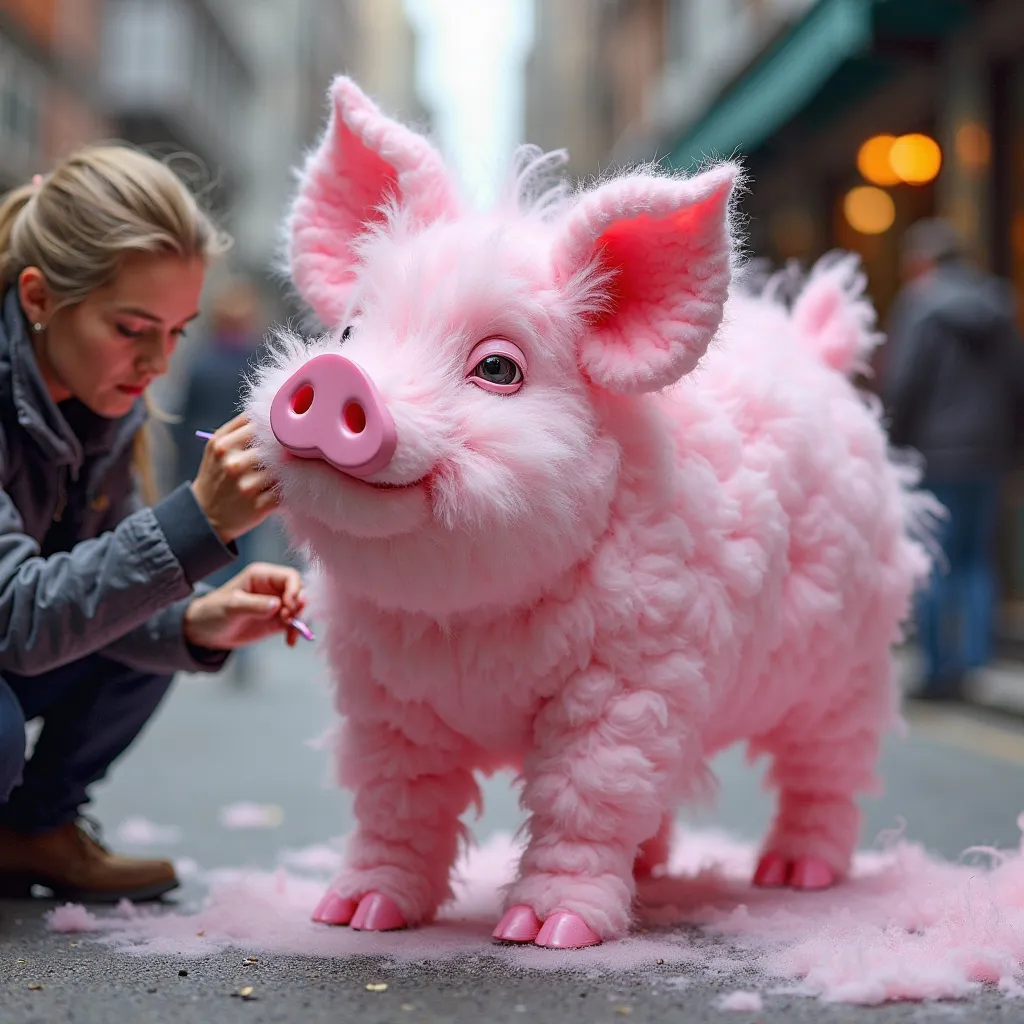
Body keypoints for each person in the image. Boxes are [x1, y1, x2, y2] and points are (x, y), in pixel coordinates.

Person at [0, 145, 306, 904]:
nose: (156, 361)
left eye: (175, 331)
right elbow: (16, 618)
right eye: (133, 328)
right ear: (39, 298)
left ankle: (34, 830)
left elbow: (101, 589)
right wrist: (196, 520)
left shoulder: (107, 402)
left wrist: (200, 620)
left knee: (154, 617)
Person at [883, 217, 1024, 700]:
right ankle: (973, 664)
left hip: (934, 453)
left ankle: (939, 669)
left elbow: (905, 383)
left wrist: (893, 447)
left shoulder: (919, 305)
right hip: (989, 453)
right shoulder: (998, 302)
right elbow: (1016, 383)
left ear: (923, 261)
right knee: (976, 559)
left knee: (935, 558)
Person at [172, 276, 269, 590]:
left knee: (208, 543)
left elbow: (184, 416)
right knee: (244, 543)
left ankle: (211, 603)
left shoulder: (202, 362)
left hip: (202, 463)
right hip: (249, 465)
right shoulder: (258, 364)